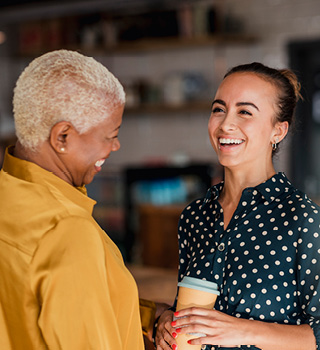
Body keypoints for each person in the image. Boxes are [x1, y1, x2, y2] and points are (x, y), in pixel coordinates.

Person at [155, 62, 320, 350]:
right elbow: (191, 308)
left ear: (278, 131)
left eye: (245, 112)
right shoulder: (195, 216)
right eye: (219, 109)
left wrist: (244, 331)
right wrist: (166, 320)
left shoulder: (301, 217)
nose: (225, 124)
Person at [0, 49, 145, 350]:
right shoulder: (67, 231)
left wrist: (145, 317)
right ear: (62, 137)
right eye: (110, 135)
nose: (116, 145)